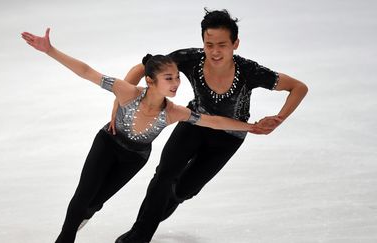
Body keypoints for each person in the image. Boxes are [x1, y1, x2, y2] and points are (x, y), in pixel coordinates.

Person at [20, 28, 274, 243]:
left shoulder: (174, 112)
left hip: (135, 158)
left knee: (94, 203)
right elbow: (86, 71)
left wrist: (251, 127)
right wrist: (50, 50)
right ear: (151, 81)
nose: (176, 83)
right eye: (168, 78)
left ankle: (87, 212)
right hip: (108, 143)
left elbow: (215, 121)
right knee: (83, 195)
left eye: (176, 77)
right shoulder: (126, 92)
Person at [114, 8, 308, 243]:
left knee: (183, 190)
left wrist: (278, 119)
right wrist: (121, 106)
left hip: (228, 137)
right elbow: (141, 68)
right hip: (193, 123)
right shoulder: (190, 59)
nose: (215, 51)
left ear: (235, 43)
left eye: (222, 45)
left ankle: (144, 227)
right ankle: (138, 236)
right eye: (209, 44)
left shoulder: (249, 71)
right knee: (164, 176)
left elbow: (298, 87)